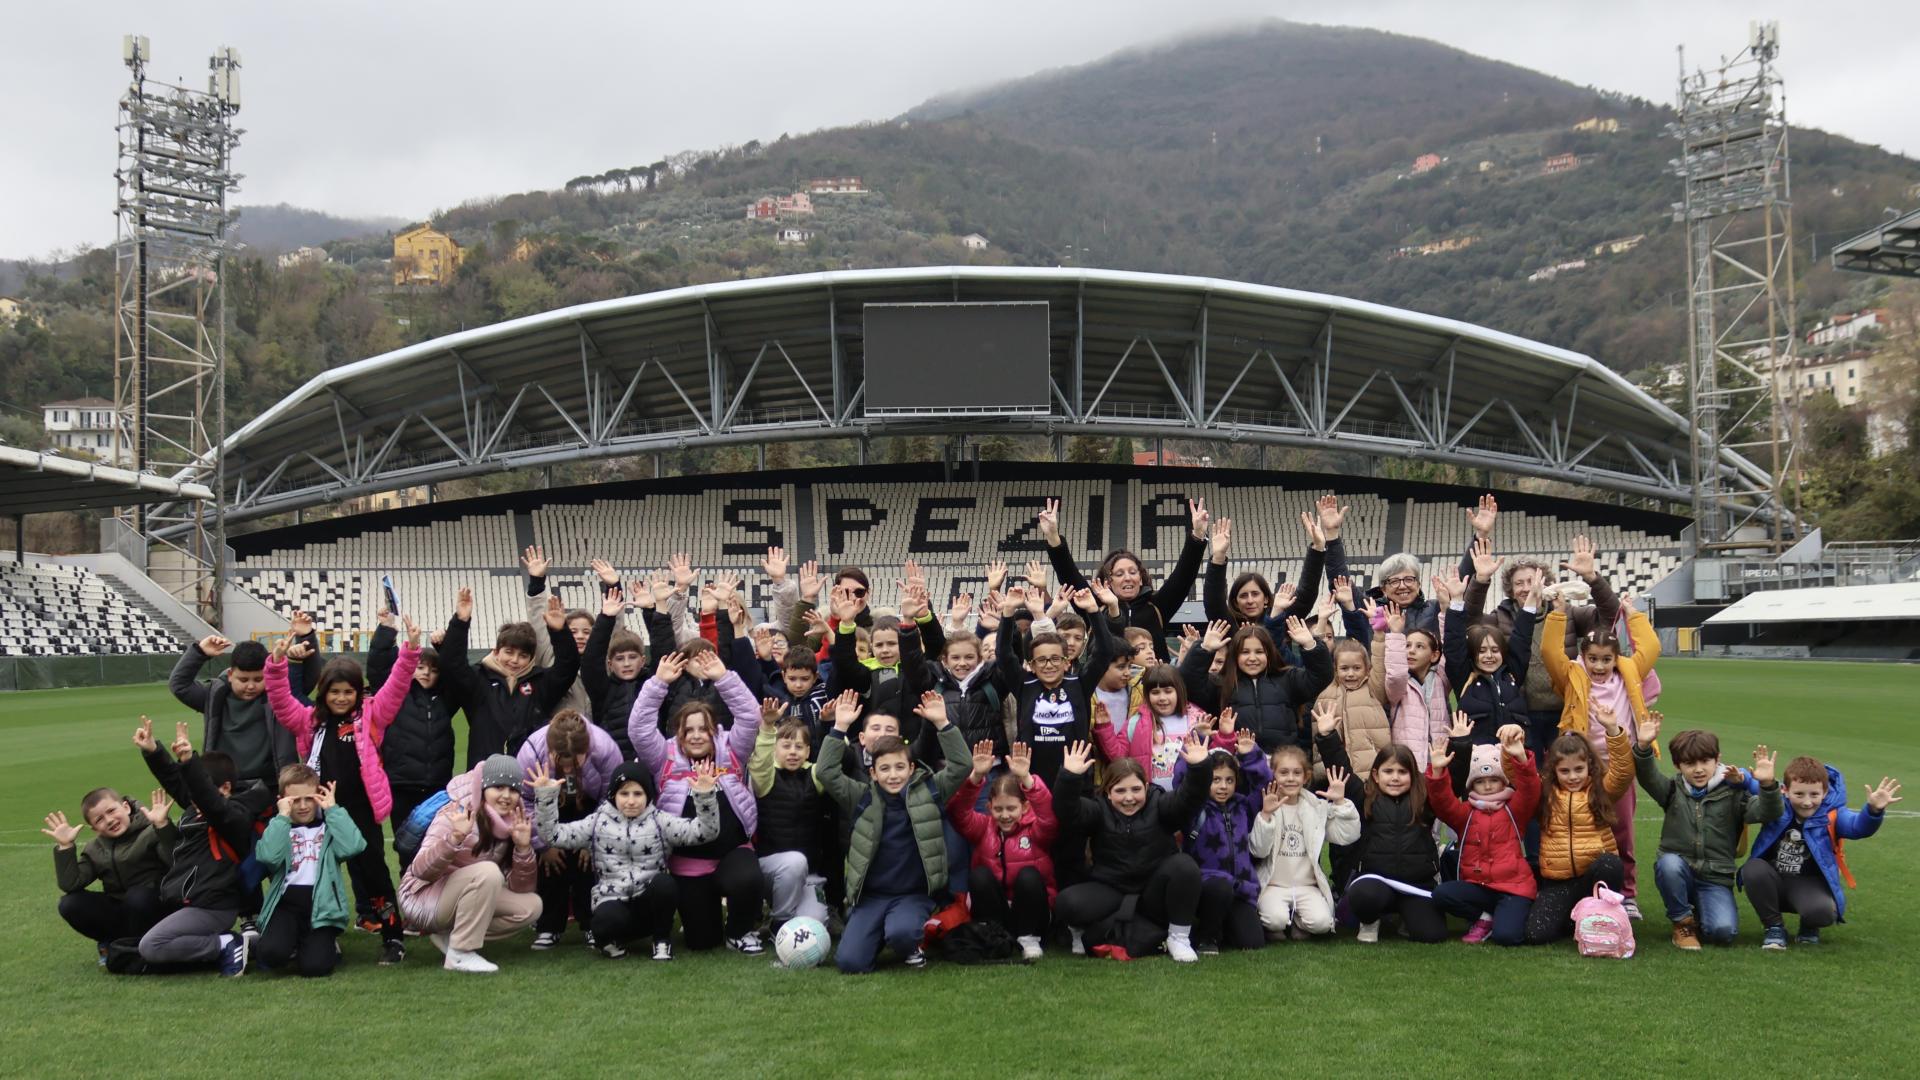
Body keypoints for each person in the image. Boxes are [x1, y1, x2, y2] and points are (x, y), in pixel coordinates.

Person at [264, 622, 419, 965]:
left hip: (359, 811)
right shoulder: (309, 720)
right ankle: (321, 931)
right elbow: (280, 700)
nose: (340, 698)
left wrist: (409, 652)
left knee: (374, 875)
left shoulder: (372, 715)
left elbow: (397, 686)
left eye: (348, 691)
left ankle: (392, 936)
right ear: (323, 693)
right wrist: (276, 666)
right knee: (319, 873)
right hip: (318, 813)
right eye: (334, 691)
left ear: (357, 692)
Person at [1540, 537, 1659, 913]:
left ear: (1615, 657)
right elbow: (1549, 653)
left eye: (1606, 659)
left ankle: (1627, 895)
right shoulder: (1573, 674)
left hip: (1621, 767)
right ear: (1584, 656)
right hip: (1581, 765)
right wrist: (1558, 614)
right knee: (1575, 828)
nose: (1600, 666)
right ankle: (1578, 889)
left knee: (1621, 830)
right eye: (1594, 659)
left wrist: (1631, 614)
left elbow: (1651, 647)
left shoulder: (1628, 672)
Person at [816, 689, 970, 973]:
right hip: (872, 896)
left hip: (913, 894)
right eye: (884, 768)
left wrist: (943, 724)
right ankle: (870, 931)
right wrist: (839, 728)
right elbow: (827, 772)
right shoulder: (861, 795)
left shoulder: (931, 790)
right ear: (873, 773)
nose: (893, 774)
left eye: (900, 767)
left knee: (902, 933)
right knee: (851, 963)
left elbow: (963, 765)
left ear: (911, 769)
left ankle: (908, 942)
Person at [628, 650, 768, 954]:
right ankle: (708, 922)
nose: (695, 736)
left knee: (748, 878)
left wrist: (723, 678)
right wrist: (657, 684)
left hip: (734, 852)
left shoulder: (732, 749)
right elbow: (638, 729)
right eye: (687, 730)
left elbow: (749, 715)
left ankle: (740, 931)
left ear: (714, 730)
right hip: (689, 863)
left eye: (702, 729)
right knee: (702, 942)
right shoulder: (662, 757)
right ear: (678, 733)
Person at [529, 758, 720, 960]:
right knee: (603, 923)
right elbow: (553, 835)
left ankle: (661, 940)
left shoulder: (659, 820)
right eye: (624, 793)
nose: (631, 800)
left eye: (638, 794)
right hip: (613, 903)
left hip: (648, 906)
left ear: (648, 795)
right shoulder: (598, 821)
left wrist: (705, 795)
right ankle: (608, 941)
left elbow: (706, 831)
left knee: (665, 884)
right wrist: (545, 796)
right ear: (613, 795)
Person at [133, 716, 274, 976]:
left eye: (200, 791)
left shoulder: (233, 816)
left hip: (213, 906)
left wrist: (189, 761)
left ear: (226, 788)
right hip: (189, 900)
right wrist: (153, 751)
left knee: (151, 946)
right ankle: (229, 945)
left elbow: (209, 801)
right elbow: (180, 785)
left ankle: (226, 944)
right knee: (135, 943)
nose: (192, 799)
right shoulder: (197, 808)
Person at [1053, 736, 1210, 962]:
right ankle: (1082, 933)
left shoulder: (1160, 803)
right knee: (1067, 903)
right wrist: (1069, 777)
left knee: (1185, 867)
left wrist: (1199, 768)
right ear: (1108, 792)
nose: (1129, 798)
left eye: (1136, 789)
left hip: (1153, 891)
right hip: (1112, 889)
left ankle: (1178, 937)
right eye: (1120, 791)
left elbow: (1189, 800)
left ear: (1146, 787)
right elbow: (1068, 812)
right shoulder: (1098, 810)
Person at [1632, 713, 1782, 949]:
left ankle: (1700, 911)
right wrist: (1642, 746)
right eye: (1690, 764)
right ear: (1677, 765)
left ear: (1717, 759)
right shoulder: (1672, 790)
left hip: (1715, 878)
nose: (1699, 769)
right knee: (1669, 864)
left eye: (1705, 762)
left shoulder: (1734, 792)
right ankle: (1682, 923)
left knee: (1723, 933)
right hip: (1680, 869)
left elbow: (1767, 812)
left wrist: (1767, 785)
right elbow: (1647, 776)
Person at [399, 754, 543, 974]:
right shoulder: (456, 812)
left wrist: (523, 849)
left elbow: (520, 889)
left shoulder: (513, 821)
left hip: (462, 894)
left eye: (513, 790)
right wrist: (454, 839)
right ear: (483, 787)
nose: (506, 796)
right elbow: (420, 871)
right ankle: (460, 953)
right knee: (488, 872)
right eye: (498, 787)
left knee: (531, 906)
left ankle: (451, 937)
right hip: (422, 896)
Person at [1743, 758, 1899, 949]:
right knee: (1752, 869)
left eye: (1814, 794)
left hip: (1808, 882)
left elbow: (1858, 827)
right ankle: (1774, 928)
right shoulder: (1776, 806)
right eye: (1799, 794)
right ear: (1785, 790)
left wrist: (1873, 810)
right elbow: (1752, 783)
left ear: (1824, 792)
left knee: (1822, 914)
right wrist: (1740, 776)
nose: (1807, 802)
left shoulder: (1834, 815)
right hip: (1773, 878)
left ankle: (1810, 925)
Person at [1039, 495, 1209, 661]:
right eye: (1119, 574)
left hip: (1152, 686)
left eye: (1133, 572)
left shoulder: (1157, 606)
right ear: (1109, 582)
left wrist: (1198, 536)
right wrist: (1053, 537)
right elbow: (1068, 574)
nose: (1128, 578)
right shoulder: (1094, 607)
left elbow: (1183, 577)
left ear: (1141, 579)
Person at [367, 602, 463, 874]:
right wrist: (386, 631)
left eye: (433, 670)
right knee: (406, 846)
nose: (426, 673)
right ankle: (410, 898)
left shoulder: (445, 699)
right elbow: (377, 669)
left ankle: (432, 901)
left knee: (435, 846)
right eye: (421, 667)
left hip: (436, 785)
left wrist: (445, 648)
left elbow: (459, 676)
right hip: (402, 784)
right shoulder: (397, 696)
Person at [515, 709, 623, 949]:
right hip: (547, 804)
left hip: (591, 806)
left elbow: (612, 797)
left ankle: (591, 924)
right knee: (552, 865)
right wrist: (543, 845)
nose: (567, 769)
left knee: (588, 865)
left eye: (575, 762)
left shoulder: (605, 747)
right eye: (560, 761)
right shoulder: (531, 751)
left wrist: (592, 841)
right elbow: (525, 801)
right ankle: (549, 926)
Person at [437, 590, 582, 766]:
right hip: (484, 774)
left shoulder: (540, 683)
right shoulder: (479, 679)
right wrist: (460, 622)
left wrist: (559, 631)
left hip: (530, 774)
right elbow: (452, 665)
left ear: (531, 658)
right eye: (509, 652)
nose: (514, 660)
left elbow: (568, 667)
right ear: (496, 652)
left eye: (522, 655)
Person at [1426, 724, 1540, 945]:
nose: (1487, 786)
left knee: (1507, 937)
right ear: (1472, 785)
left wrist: (1521, 758)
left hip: (1512, 887)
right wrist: (1438, 773)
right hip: (1478, 886)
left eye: (1493, 780)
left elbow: (1530, 789)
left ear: (1503, 781)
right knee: (1442, 894)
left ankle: (1508, 915)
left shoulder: (1515, 809)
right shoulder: (1465, 813)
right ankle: (1484, 918)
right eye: (1480, 781)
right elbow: (1442, 804)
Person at [1523, 716, 1632, 945]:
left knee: (1609, 864)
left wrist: (1613, 731)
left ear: (1589, 766)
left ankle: (1601, 911)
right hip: (1558, 880)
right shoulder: (1547, 795)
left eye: (1579, 769)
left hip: (1592, 880)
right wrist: (1512, 753)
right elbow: (1523, 781)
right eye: (1565, 771)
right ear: (1554, 771)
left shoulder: (1600, 791)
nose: (1573, 777)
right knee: (1537, 934)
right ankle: (1578, 919)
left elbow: (1622, 773)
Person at [947, 741, 1058, 961]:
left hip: (1033, 911)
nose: (1005, 815)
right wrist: (976, 777)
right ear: (989, 808)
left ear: (1024, 807)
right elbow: (957, 813)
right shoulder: (983, 827)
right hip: (999, 910)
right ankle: (995, 935)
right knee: (979, 875)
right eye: (998, 809)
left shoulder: (1036, 828)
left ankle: (1029, 938)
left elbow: (1049, 815)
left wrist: (1027, 779)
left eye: (1011, 808)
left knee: (1028, 876)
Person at [253, 766, 365, 977]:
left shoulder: (329, 827)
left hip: (321, 907)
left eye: (309, 798)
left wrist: (333, 810)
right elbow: (268, 856)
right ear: (283, 800)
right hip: (285, 906)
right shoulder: (279, 826)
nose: (303, 806)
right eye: (295, 800)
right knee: (271, 954)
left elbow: (354, 846)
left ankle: (322, 943)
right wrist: (282, 817)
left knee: (316, 967)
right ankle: (290, 941)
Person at [47, 786, 174, 959]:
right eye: (99, 819)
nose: (108, 820)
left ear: (126, 807)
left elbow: (176, 862)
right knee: (69, 903)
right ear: (95, 829)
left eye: (112, 811)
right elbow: (70, 883)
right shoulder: (95, 848)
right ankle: (112, 942)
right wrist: (65, 846)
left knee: (137, 897)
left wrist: (162, 826)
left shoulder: (151, 831)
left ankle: (140, 946)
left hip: (156, 907)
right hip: (123, 911)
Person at [1251, 741, 1359, 942]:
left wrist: (1340, 803)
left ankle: (1299, 922)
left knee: (1321, 924)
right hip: (1274, 885)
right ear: (1273, 774)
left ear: (1306, 776)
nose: (1290, 778)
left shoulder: (1315, 806)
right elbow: (1258, 849)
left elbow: (1348, 835)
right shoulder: (1267, 804)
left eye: (1296, 773)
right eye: (1283, 773)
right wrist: (1266, 816)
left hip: (1307, 886)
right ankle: (1280, 922)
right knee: (1275, 920)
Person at [1180, 730, 1275, 953]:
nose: (1223, 786)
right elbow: (1181, 780)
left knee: (1252, 942)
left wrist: (1250, 754)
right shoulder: (1194, 806)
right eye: (1216, 780)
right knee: (1220, 888)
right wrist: (1195, 743)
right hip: (1208, 887)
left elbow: (1265, 785)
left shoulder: (1243, 806)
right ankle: (1206, 936)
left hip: (1241, 889)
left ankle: (1223, 927)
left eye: (1229, 780)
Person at [1344, 742, 1448, 944]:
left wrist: (1460, 744)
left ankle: (1406, 918)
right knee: (1364, 895)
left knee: (1432, 935)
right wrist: (1327, 735)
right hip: (1376, 881)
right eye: (1388, 771)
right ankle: (1370, 920)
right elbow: (1341, 768)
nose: (1395, 778)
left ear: (1413, 775)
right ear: (1376, 775)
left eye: (1402, 771)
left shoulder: (1424, 799)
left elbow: (1454, 787)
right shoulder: (1365, 797)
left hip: (1416, 884)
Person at [1180, 616, 1331, 755]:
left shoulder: (1287, 679)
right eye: (1245, 652)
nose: (1252, 658)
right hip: (1238, 764)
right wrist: (1204, 649)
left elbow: (1321, 676)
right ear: (1234, 655)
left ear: (1269, 653)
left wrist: (1310, 645)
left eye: (1259, 652)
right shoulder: (1222, 683)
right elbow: (1189, 683)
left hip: (1282, 764)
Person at [1438, 543, 1537, 746]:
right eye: (1481, 651)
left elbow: (1521, 639)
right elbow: (1454, 644)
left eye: (1494, 650)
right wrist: (1457, 600)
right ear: (1473, 655)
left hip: (1512, 758)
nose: (1489, 656)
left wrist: (1530, 605)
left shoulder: (1512, 674)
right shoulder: (1464, 677)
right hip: (1478, 760)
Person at [1202, 497, 1348, 633]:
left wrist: (1318, 548)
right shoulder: (1228, 628)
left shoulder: (1283, 622)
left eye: (1255, 594)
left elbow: (1306, 594)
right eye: (1243, 596)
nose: (1250, 600)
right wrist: (1218, 557)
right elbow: (1213, 603)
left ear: (1266, 598)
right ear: (1235, 602)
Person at [169, 634, 294, 789]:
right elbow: (179, 686)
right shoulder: (215, 696)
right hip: (224, 786)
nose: (250, 686)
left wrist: (303, 647)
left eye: (258, 679)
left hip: (269, 785)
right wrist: (200, 652)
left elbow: (308, 681)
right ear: (230, 675)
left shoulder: (278, 697)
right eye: (243, 680)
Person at [748, 705, 833, 930]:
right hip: (770, 870)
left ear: (807, 751)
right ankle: (780, 921)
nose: (793, 752)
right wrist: (767, 727)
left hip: (808, 875)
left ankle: (790, 914)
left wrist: (832, 726)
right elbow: (759, 763)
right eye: (786, 746)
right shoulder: (766, 778)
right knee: (794, 861)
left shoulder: (814, 775)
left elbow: (831, 762)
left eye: (799, 747)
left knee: (815, 922)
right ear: (775, 749)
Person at [1092, 664, 1206, 789]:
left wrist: (1223, 736)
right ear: (1147, 695)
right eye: (1155, 692)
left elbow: (1216, 763)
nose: (1162, 698)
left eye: (1168, 691)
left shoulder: (1197, 719)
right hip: (1150, 800)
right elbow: (1118, 758)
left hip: (1188, 799)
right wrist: (1104, 728)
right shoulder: (1136, 723)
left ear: (1179, 691)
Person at [580, 584, 653, 760]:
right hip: (612, 763)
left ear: (643, 660)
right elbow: (591, 662)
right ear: (610, 664)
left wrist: (650, 611)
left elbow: (664, 649)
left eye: (632, 657)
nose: (626, 663)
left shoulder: (652, 684)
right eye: (620, 659)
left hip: (650, 763)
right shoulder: (604, 690)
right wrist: (605, 618)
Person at [1378, 601, 1450, 770]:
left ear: (1434, 655)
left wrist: (1445, 613)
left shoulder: (1441, 677)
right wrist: (1396, 634)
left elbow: (1450, 648)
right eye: (1407, 645)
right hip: (1409, 763)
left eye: (1419, 647)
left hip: (1438, 759)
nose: (1410, 651)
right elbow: (1395, 674)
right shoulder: (1400, 687)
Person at [1313, 634, 1393, 779]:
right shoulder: (1325, 697)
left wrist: (1380, 635)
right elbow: (1317, 744)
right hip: (1337, 775)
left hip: (1373, 772)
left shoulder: (1373, 690)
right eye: (1344, 668)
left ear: (1367, 669)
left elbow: (1380, 665)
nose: (1350, 674)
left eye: (1357, 668)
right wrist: (1320, 772)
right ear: (1336, 670)